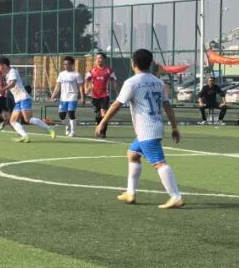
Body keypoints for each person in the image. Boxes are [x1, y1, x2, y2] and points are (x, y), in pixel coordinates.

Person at [97, 48, 183, 210]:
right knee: (133, 154)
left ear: (133, 63)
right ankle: (130, 193)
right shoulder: (158, 82)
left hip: (146, 129)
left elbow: (117, 105)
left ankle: (176, 196)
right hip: (156, 125)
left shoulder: (132, 82)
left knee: (159, 163)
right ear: (150, 64)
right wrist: (174, 127)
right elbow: (167, 105)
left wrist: (102, 122)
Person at [0, 57, 56, 143]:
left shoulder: (12, 71)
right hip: (18, 100)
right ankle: (25, 136)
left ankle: (50, 129)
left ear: (4, 65)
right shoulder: (7, 75)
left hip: (24, 98)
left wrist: (2, 90)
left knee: (28, 119)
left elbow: (12, 84)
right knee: (12, 121)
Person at [84, 52, 117, 138]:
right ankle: (99, 127)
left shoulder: (109, 70)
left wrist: (116, 90)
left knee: (104, 113)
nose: (99, 60)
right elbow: (87, 80)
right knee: (98, 116)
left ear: (104, 59)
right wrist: (86, 88)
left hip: (105, 95)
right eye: (97, 58)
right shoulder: (92, 70)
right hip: (95, 96)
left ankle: (103, 132)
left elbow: (114, 79)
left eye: (100, 58)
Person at [50, 56, 84, 137]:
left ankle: (73, 131)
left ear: (72, 64)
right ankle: (67, 125)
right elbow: (58, 85)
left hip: (73, 96)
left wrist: (82, 97)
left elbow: (80, 86)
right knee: (61, 116)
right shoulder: (61, 74)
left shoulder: (76, 74)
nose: (65, 65)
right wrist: (53, 95)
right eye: (64, 64)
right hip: (63, 98)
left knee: (71, 113)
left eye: (67, 64)